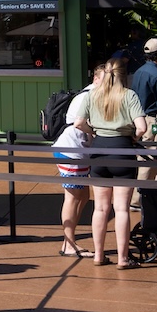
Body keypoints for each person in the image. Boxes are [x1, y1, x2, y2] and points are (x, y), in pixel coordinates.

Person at [73, 55, 147, 268]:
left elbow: (79, 123)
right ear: (124, 75)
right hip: (122, 151)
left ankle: (99, 254)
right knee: (122, 209)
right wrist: (133, 137)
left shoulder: (92, 95)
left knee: (100, 208)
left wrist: (94, 132)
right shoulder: (129, 95)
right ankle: (123, 258)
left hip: (99, 151)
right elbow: (141, 127)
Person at [54, 63, 101, 258]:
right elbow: (80, 124)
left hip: (78, 151)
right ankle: (68, 243)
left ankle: (70, 241)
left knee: (82, 196)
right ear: (96, 78)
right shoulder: (89, 96)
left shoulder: (91, 95)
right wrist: (96, 131)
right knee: (72, 197)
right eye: (106, 79)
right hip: (71, 151)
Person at [130, 38, 157, 197]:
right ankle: (139, 197)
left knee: (142, 156)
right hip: (152, 120)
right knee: (150, 157)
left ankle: (148, 193)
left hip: (138, 119)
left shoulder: (139, 72)